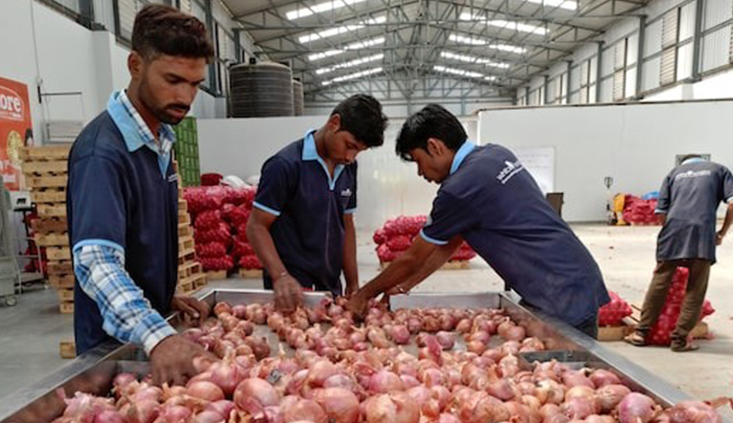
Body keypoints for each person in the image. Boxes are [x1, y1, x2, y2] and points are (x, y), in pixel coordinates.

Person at [347, 104, 609, 338]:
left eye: (419, 161)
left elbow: (413, 257)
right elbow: (451, 242)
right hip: (573, 274)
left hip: (559, 292)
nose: (420, 173)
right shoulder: (496, 154)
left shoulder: (459, 189)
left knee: (568, 378)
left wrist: (363, 294)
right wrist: (406, 286)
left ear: (435, 146)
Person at [67, 5, 213, 384]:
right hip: (113, 351)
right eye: (173, 79)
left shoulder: (158, 139)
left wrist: (163, 300)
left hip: (145, 336)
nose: (186, 96)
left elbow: (139, 238)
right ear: (135, 65)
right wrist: (157, 334)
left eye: (195, 84)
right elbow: (96, 262)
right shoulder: (103, 152)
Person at [246, 95, 388, 312]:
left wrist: (352, 283)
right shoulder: (285, 165)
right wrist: (280, 276)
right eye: (349, 146)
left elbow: (346, 223)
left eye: (358, 151)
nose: (351, 156)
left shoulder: (348, 167)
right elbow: (256, 226)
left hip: (331, 284)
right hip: (294, 287)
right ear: (334, 123)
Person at [624, 155, 733, 352]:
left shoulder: (673, 173)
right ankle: (679, 340)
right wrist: (721, 233)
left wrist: (673, 231)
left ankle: (641, 333)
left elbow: (661, 212)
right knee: (695, 288)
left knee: (660, 281)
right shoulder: (719, 170)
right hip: (702, 234)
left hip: (672, 232)